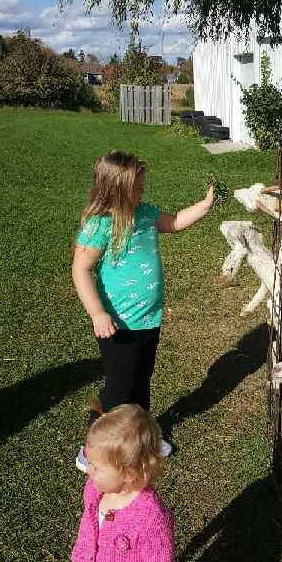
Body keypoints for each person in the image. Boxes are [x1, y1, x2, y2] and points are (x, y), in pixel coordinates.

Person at [72, 150, 214, 466]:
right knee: (119, 391)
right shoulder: (101, 225)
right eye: (137, 187)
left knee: (141, 384)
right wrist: (97, 312)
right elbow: (80, 269)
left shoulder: (147, 213)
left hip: (149, 321)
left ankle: (142, 441)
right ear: (117, 189)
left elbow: (175, 222)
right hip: (118, 326)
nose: (143, 191)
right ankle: (93, 449)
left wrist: (203, 207)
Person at [71, 404, 176, 562]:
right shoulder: (95, 490)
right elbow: (88, 525)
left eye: (96, 467)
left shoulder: (151, 519)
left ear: (128, 474)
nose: (88, 470)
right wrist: (81, 556)